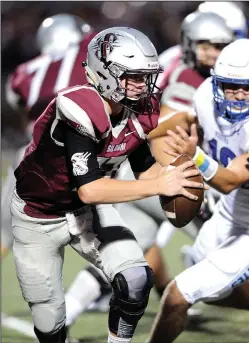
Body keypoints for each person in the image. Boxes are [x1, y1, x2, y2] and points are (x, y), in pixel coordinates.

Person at [10, 27, 205, 343]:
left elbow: (144, 171)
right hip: (39, 216)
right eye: (134, 77)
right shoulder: (79, 108)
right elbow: (91, 187)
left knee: (136, 279)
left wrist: (181, 172)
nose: (143, 85)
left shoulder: (140, 109)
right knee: (49, 320)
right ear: (105, 73)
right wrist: (160, 186)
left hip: (87, 211)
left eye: (146, 76)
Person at [146, 38, 249, 343]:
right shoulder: (207, 94)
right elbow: (188, 119)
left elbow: (229, 179)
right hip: (230, 212)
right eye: (231, 85)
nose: (239, 95)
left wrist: (196, 155)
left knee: (178, 295)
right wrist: (138, 132)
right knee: (216, 293)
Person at [2, 13, 96, 260]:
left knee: (4, 231)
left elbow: (22, 107)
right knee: (118, 232)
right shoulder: (90, 52)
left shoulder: (24, 72)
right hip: (88, 153)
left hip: (33, 156)